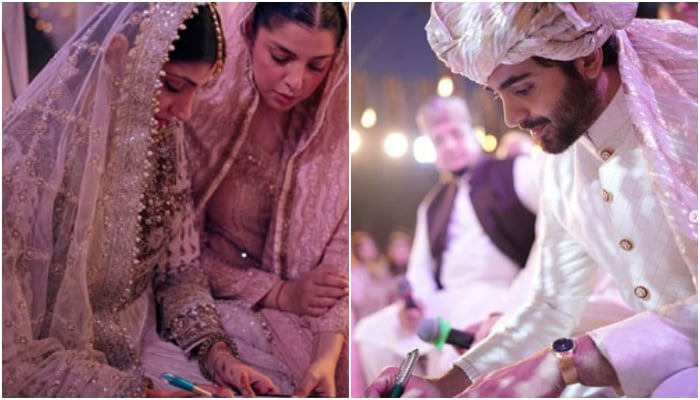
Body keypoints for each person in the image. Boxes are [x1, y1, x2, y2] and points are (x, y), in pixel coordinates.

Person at [367, 2, 697, 397]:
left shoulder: (686, 119)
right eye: (498, 94)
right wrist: (447, 384)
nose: (510, 116)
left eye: (523, 88)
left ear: (587, 58)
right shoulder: (562, 163)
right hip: (643, 358)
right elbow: (552, 305)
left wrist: (567, 362)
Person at [2, 3, 277, 397]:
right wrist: (143, 393)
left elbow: (177, 271)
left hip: (141, 345)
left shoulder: (163, 141)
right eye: (173, 86)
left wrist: (217, 355)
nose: (185, 111)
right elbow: (9, 359)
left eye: (196, 90)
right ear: (116, 55)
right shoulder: (25, 159)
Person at [141, 3, 350, 397]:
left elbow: (337, 265)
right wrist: (279, 293)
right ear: (249, 30)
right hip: (209, 306)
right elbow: (177, 256)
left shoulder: (332, 126)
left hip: (315, 322)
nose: (295, 82)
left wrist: (325, 355)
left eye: (316, 66)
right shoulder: (193, 106)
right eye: (281, 57)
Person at [355, 95, 540, 384]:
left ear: (472, 130)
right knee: (369, 333)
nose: (450, 146)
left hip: (503, 292)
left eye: (455, 133)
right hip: (446, 299)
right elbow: (419, 269)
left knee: (453, 352)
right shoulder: (432, 204)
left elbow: (556, 223)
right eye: (439, 140)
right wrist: (413, 303)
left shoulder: (515, 169)